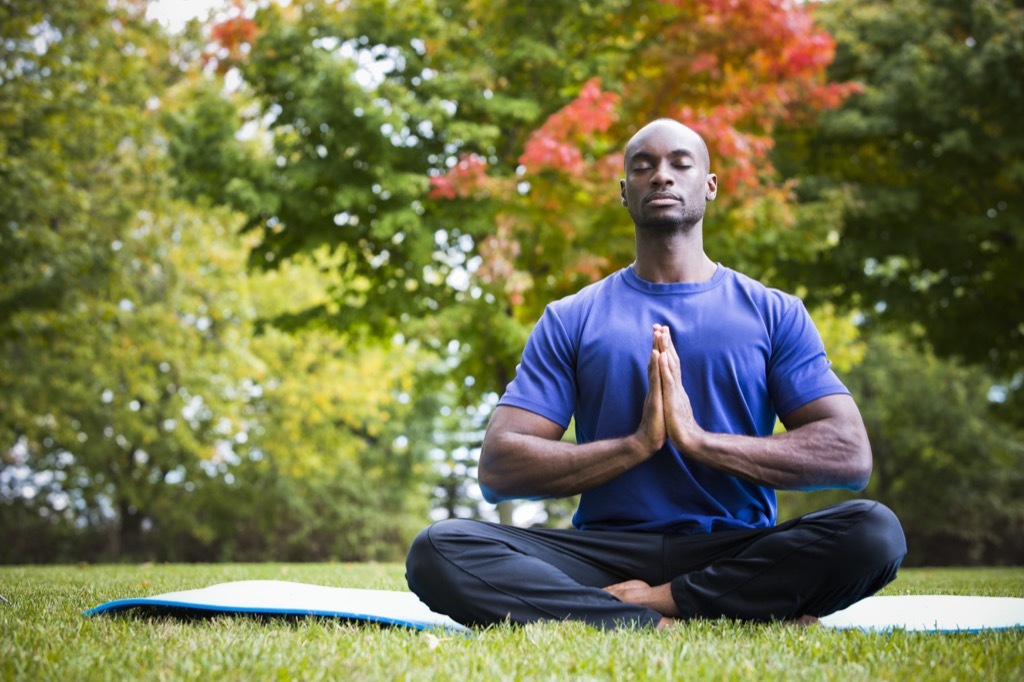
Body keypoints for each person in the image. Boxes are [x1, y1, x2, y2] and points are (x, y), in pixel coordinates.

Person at [405, 118, 906, 629]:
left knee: (874, 532)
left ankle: (660, 603)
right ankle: (700, 613)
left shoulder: (774, 312)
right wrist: (637, 445)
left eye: (680, 164)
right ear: (625, 193)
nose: (661, 176)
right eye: (643, 167)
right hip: (603, 554)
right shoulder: (571, 317)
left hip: (733, 548)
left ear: (709, 185)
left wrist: (698, 441)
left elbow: (848, 454)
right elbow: (499, 467)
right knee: (438, 549)